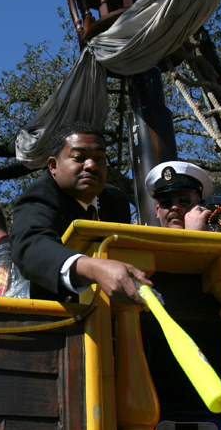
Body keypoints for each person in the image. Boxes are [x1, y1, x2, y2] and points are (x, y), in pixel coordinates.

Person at [10, 121, 151, 306]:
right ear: (53, 165)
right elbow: (30, 246)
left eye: (100, 158)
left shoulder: (116, 202)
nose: (91, 165)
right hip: (61, 316)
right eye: (79, 157)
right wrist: (93, 268)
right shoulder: (40, 196)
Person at [144, 161, 221, 234]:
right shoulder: (143, 248)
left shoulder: (220, 247)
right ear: (158, 211)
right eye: (166, 201)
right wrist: (193, 236)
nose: (175, 207)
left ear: (201, 208)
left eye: (184, 200)